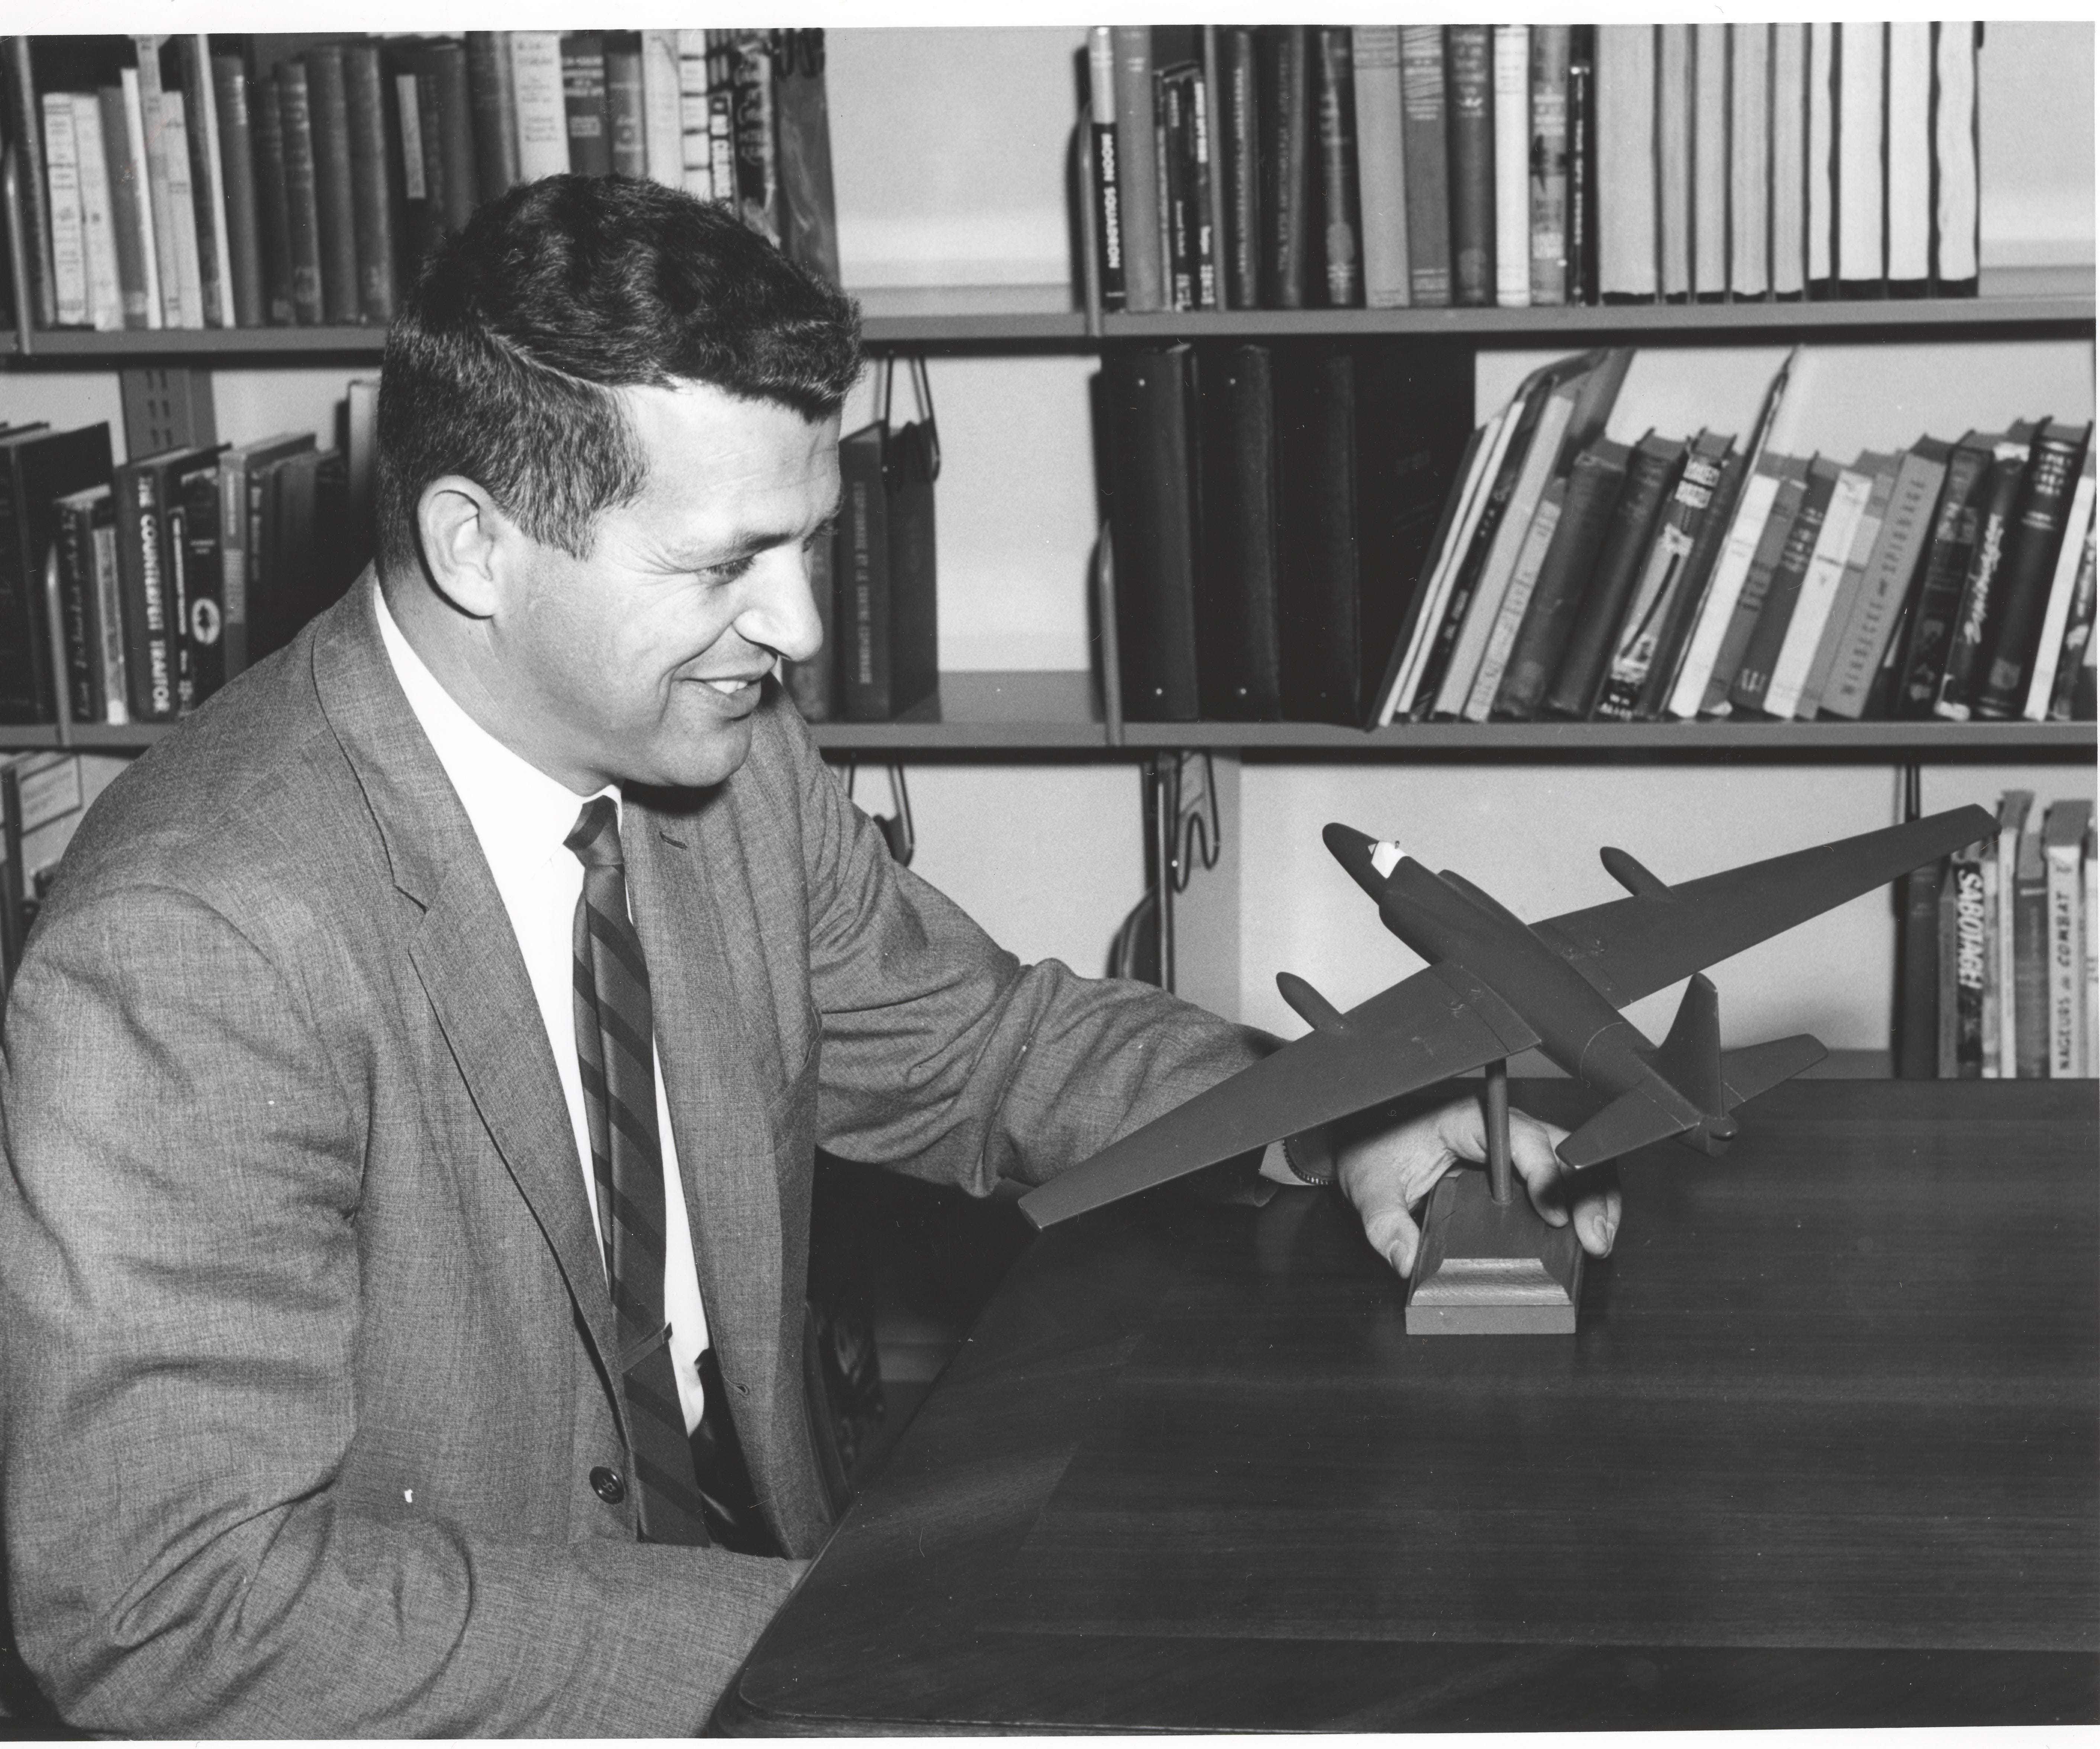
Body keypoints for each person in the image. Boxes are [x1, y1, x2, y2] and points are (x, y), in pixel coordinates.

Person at [0, 176, 1616, 1735]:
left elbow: (984, 1051)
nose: (799, 633)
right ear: (473, 546)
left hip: (791, 1595)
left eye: (803, 546)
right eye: (720, 566)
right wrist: (831, 1636)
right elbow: (172, 1608)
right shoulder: (191, 942)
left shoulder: (722, 757)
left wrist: (1350, 1114)